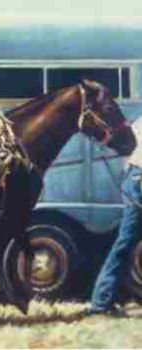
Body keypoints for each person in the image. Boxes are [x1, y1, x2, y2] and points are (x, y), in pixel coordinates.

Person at [85, 117, 141, 316]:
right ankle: (100, 304)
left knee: (124, 244)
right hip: (139, 180)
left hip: (134, 177)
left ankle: (103, 301)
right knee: (124, 244)